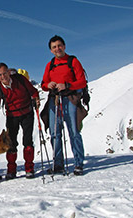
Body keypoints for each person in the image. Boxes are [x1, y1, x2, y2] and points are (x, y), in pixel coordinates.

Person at [41, 35, 86, 175]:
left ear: (64, 46)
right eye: (54, 47)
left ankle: (78, 163)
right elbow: (43, 84)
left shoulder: (73, 61)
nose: (57, 49)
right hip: (54, 100)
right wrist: (48, 85)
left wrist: (67, 85)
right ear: (51, 50)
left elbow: (82, 82)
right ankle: (58, 164)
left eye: (59, 46)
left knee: (73, 131)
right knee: (55, 133)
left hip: (70, 98)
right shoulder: (50, 65)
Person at [0, 63, 40, 179]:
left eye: (4, 73)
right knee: (11, 143)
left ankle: (29, 168)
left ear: (9, 72)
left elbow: (33, 90)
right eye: (0, 75)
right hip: (12, 116)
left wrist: (36, 98)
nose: (3, 76)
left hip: (27, 113)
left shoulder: (20, 79)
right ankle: (11, 169)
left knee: (27, 141)